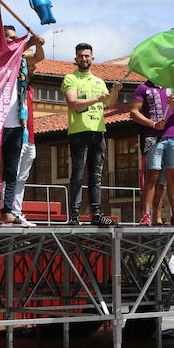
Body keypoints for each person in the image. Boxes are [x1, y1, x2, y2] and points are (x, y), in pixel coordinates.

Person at [62, 43, 120, 226]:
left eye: (87, 56)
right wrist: (96, 99)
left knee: (97, 175)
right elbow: (72, 103)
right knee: (78, 174)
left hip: (98, 130)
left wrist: (116, 91)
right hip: (79, 131)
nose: (84, 58)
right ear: (76, 59)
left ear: (92, 58)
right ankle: (74, 215)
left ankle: (97, 213)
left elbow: (109, 104)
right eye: (81, 56)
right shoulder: (70, 78)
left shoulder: (99, 81)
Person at [128, 77, 174, 226]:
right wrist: (153, 124)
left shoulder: (171, 88)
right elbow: (133, 112)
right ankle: (146, 215)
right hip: (152, 136)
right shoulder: (143, 88)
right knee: (153, 174)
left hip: (173, 136)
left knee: (173, 176)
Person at [0, 25, 44, 226]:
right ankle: (5, 210)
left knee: (20, 175)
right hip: (6, 125)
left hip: (25, 130)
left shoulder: (24, 70)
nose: (15, 40)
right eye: (11, 38)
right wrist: (29, 42)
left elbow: (38, 56)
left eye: (16, 38)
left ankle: (15, 211)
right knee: (10, 171)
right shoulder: (4, 59)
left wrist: (38, 44)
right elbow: (9, 54)